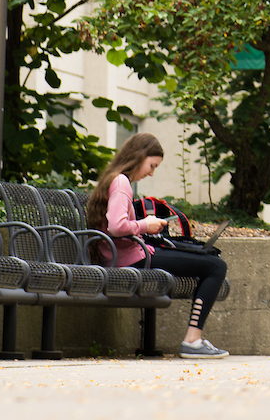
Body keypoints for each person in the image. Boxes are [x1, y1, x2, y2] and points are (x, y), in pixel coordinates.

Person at [85, 132, 231, 359]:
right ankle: (192, 341)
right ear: (139, 156)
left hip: (133, 254)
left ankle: (194, 340)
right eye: (151, 166)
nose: (151, 173)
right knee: (215, 267)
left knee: (209, 261)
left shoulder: (114, 179)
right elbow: (116, 226)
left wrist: (147, 227)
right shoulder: (122, 182)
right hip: (133, 259)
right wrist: (146, 224)